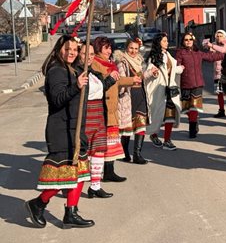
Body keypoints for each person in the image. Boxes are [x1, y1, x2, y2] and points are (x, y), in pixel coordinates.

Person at [25, 35, 95, 228]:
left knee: (79, 172)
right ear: (59, 49)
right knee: (61, 176)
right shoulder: (56, 70)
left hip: (75, 128)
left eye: (74, 49)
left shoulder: (73, 69)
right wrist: (76, 86)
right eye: (67, 49)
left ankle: (71, 212)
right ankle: (38, 203)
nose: (71, 52)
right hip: (61, 130)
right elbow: (57, 99)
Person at [92, 36, 141, 182]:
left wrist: (132, 80)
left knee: (111, 143)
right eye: (106, 48)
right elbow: (103, 81)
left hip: (112, 108)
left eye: (110, 48)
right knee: (104, 144)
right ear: (98, 48)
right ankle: (100, 175)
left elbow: (117, 79)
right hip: (104, 108)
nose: (109, 51)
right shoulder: (96, 63)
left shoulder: (108, 63)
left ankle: (109, 172)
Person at [79, 43, 116, 199]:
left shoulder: (94, 73)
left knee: (99, 151)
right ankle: (74, 184)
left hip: (99, 115)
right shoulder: (77, 74)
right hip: (85, 117)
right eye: (84, 53)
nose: (88, 57)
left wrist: (111, 80)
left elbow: (99, 89)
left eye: (92, 54)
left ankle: (95, 186)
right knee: (83, 153)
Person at [176, 32, 225, 138]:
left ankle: (192, 130)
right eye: (186, 40)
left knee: (194, 107)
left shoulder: (198, 52)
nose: (188, 41)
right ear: (183, 42)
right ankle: (194, 120)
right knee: (186, 108)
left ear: (193, 41)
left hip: (197, 84)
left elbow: (211, 57)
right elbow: (177, 65)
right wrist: (177, 68)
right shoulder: (180, 52)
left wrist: (225, 52)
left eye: (190, 39)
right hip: (185, 84)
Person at [115, 38, 153, 164]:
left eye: (136, 49)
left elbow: (141, 78)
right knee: (127, 126)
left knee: (140, 124)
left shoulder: (139, 61)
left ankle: (137, 154)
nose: (133, 51)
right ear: (126, 48)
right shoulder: (122, 62)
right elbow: (121, 80)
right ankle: (125, 153)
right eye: (131, 48)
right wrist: (133, 80)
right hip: (127, 96)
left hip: (140, 95)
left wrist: (150, 73)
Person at [144, 33, 184, 150]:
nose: (167, 43)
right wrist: (154, 73)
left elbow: (169, 70)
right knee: (157, 114)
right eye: (164, 41)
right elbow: (149, 71)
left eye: (166, 41)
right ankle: (154, 135)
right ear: (159, 43)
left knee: (170, 115)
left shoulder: (167, 54)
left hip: (170, 89)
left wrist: (179, 69)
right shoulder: (154, 56)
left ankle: (167, 140)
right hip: (158, 89)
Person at [205, 30, 226, 118]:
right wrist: (209, 49)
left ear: (224, 37)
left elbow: (223, 50)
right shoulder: (214, 45)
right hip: (217, 73)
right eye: (217, 36)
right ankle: (221, 110)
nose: (219, 37)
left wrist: (212, 46)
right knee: (219, 92)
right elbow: (210, 58)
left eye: (221, 36)